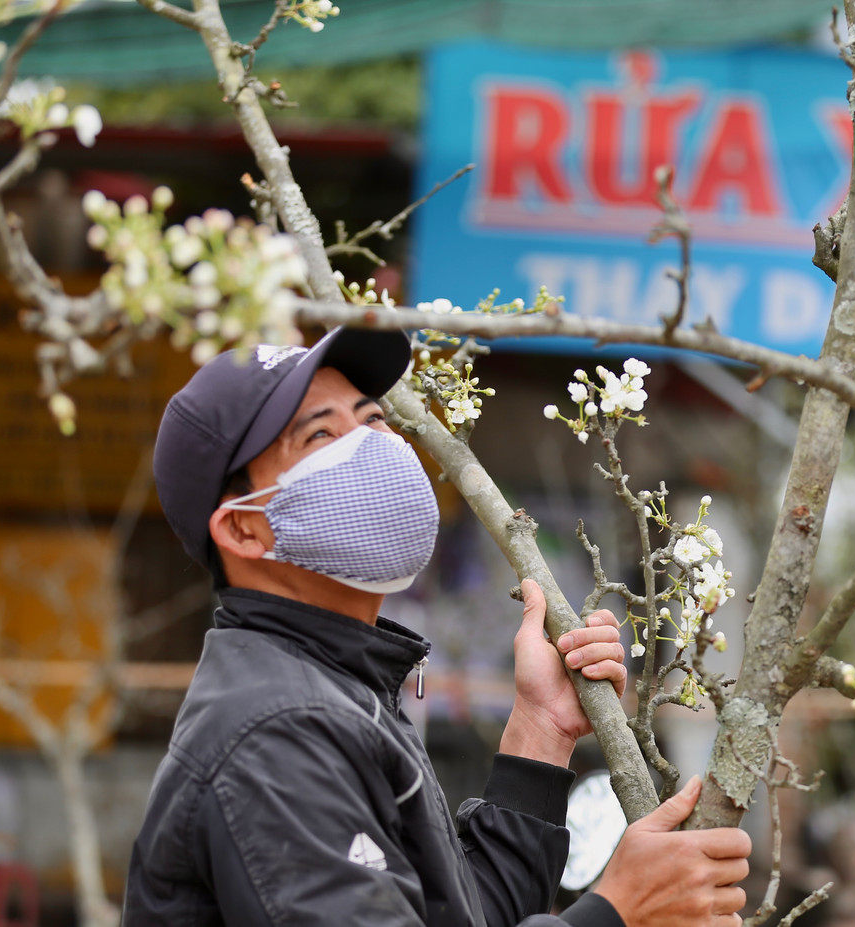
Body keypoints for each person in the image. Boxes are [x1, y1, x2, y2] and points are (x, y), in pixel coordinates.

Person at [122, 327, 751, 927]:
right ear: (243, 529)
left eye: (371, 420)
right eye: (320, 435)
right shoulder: (274, 732)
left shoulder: (336, 687)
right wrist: (619, 911)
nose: (371, 444)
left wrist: (541, 733)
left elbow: (463, 917)